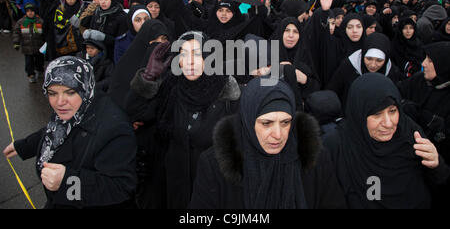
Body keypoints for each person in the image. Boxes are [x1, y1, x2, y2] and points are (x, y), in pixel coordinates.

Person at [189, 76, 346, 209]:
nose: (278, 135)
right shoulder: (216, 164)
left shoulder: (313, 158)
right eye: (266, 123)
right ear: (248, 121)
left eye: (285, 123)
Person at [3, 56, 137, 209]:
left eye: (70, 92)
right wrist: (26, 145)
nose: (60, 102)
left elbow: (121, 187)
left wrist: (68, 182)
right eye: (52, 93)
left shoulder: (115, 128)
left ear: (85, 87)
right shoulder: (75, 108)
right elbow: (55, 129)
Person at [126, 32, 241, 209]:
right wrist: (149, 78)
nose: (190, 61)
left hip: (210, 192)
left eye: (196, 53)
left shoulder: (225, 94)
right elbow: (136, 113)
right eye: (183, 54)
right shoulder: (171, 87)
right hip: (173, 187)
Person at [324, 73, 450, 209]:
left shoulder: (410, 133)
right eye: (377, 114)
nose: (388, 123)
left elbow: (440, 186)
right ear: (359, 114)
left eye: (392, 111)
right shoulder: (337, 146)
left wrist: (436, 166)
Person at [327, 32, 402, 108]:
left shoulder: (392, 71)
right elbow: (333, 90)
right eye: (369, 59)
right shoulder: (348, 66)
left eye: (379, 60)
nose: (373, 65)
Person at [12, 3, 45, 83]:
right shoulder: (21, 22)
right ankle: (31, 75)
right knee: (29, 63)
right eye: (28, 11)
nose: (30, 13)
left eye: (32, 11)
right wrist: (16, 42)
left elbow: (45, 33)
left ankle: (40, 69)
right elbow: (16, 32)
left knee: (39, 60)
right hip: (27, 47)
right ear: (25, 12)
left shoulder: (40, 21)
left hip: (38, 46)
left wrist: (46, 43)